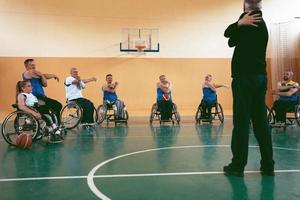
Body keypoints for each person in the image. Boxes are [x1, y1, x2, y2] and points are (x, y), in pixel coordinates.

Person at [223, 0, 275, 176]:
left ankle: (237, 165)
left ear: (245, 8)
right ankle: (268, 165)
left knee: (242, 122)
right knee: (261, 123)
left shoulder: (247, 19)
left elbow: (227, 34)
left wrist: (239, 23)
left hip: (244, 78)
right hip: (260, 78)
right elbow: (232, 42)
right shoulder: (263, 24)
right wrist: (240, 28)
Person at [22, 59, 62, 124]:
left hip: (42, 97)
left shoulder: (38, 76)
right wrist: (44, 75)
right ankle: (51, 125)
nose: (33, 66)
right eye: (31, 65)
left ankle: (57, 125)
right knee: (46, 110)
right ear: (26, 66)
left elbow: (44, 81)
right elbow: (41, 75)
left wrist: (52, 75)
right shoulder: (26, 74)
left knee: (58, 105)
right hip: (34, 98)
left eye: (34, 65)